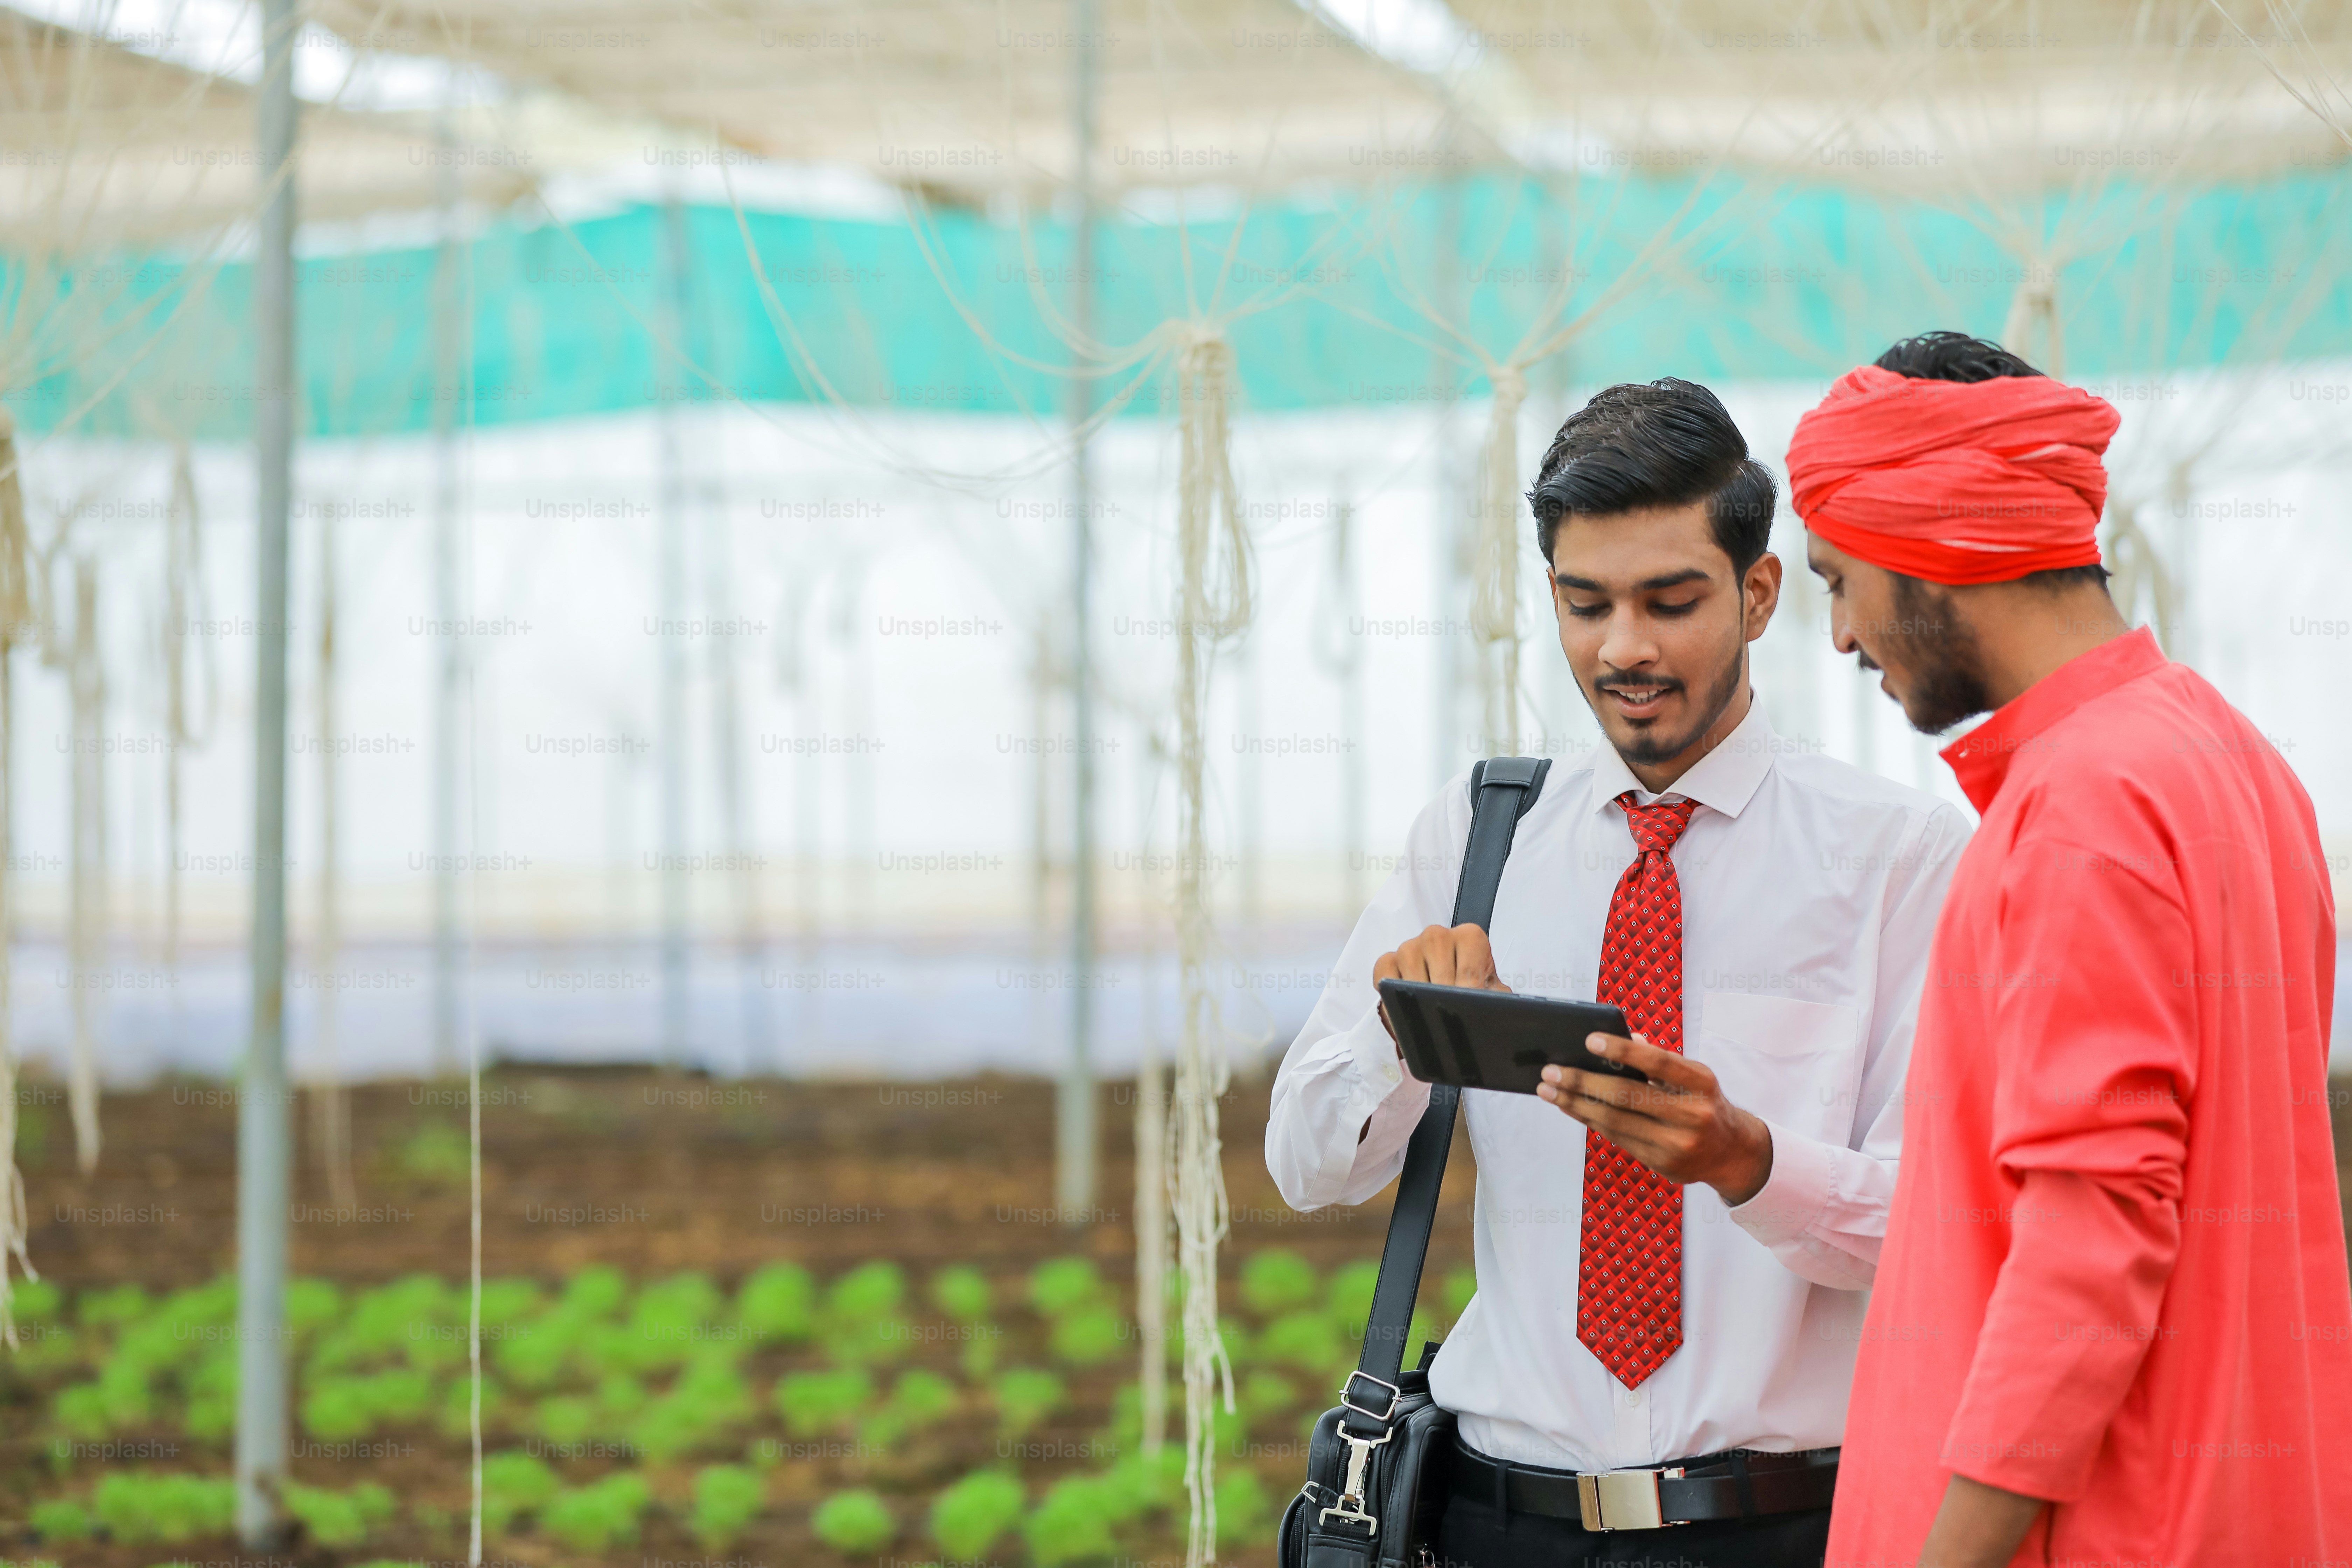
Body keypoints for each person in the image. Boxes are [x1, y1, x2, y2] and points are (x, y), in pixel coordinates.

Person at [1266, 378, 1973, 1567]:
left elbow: (1941, 1231)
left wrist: (1749, 1163)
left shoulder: (1899, 859)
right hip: (1504, 1523)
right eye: (1586, 604)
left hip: (1781, 1527)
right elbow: (1307, 1164)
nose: (1624, 647)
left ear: (1759, 594)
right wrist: (1404, 1031)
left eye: (1670, 601)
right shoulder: (1480, 835)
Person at [1792, 330, 2352, 1568]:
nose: (1838, 636)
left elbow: (2091, 1241)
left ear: (1931, 539)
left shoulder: (2084, 805)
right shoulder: (2236, 763)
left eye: (1839, 580)